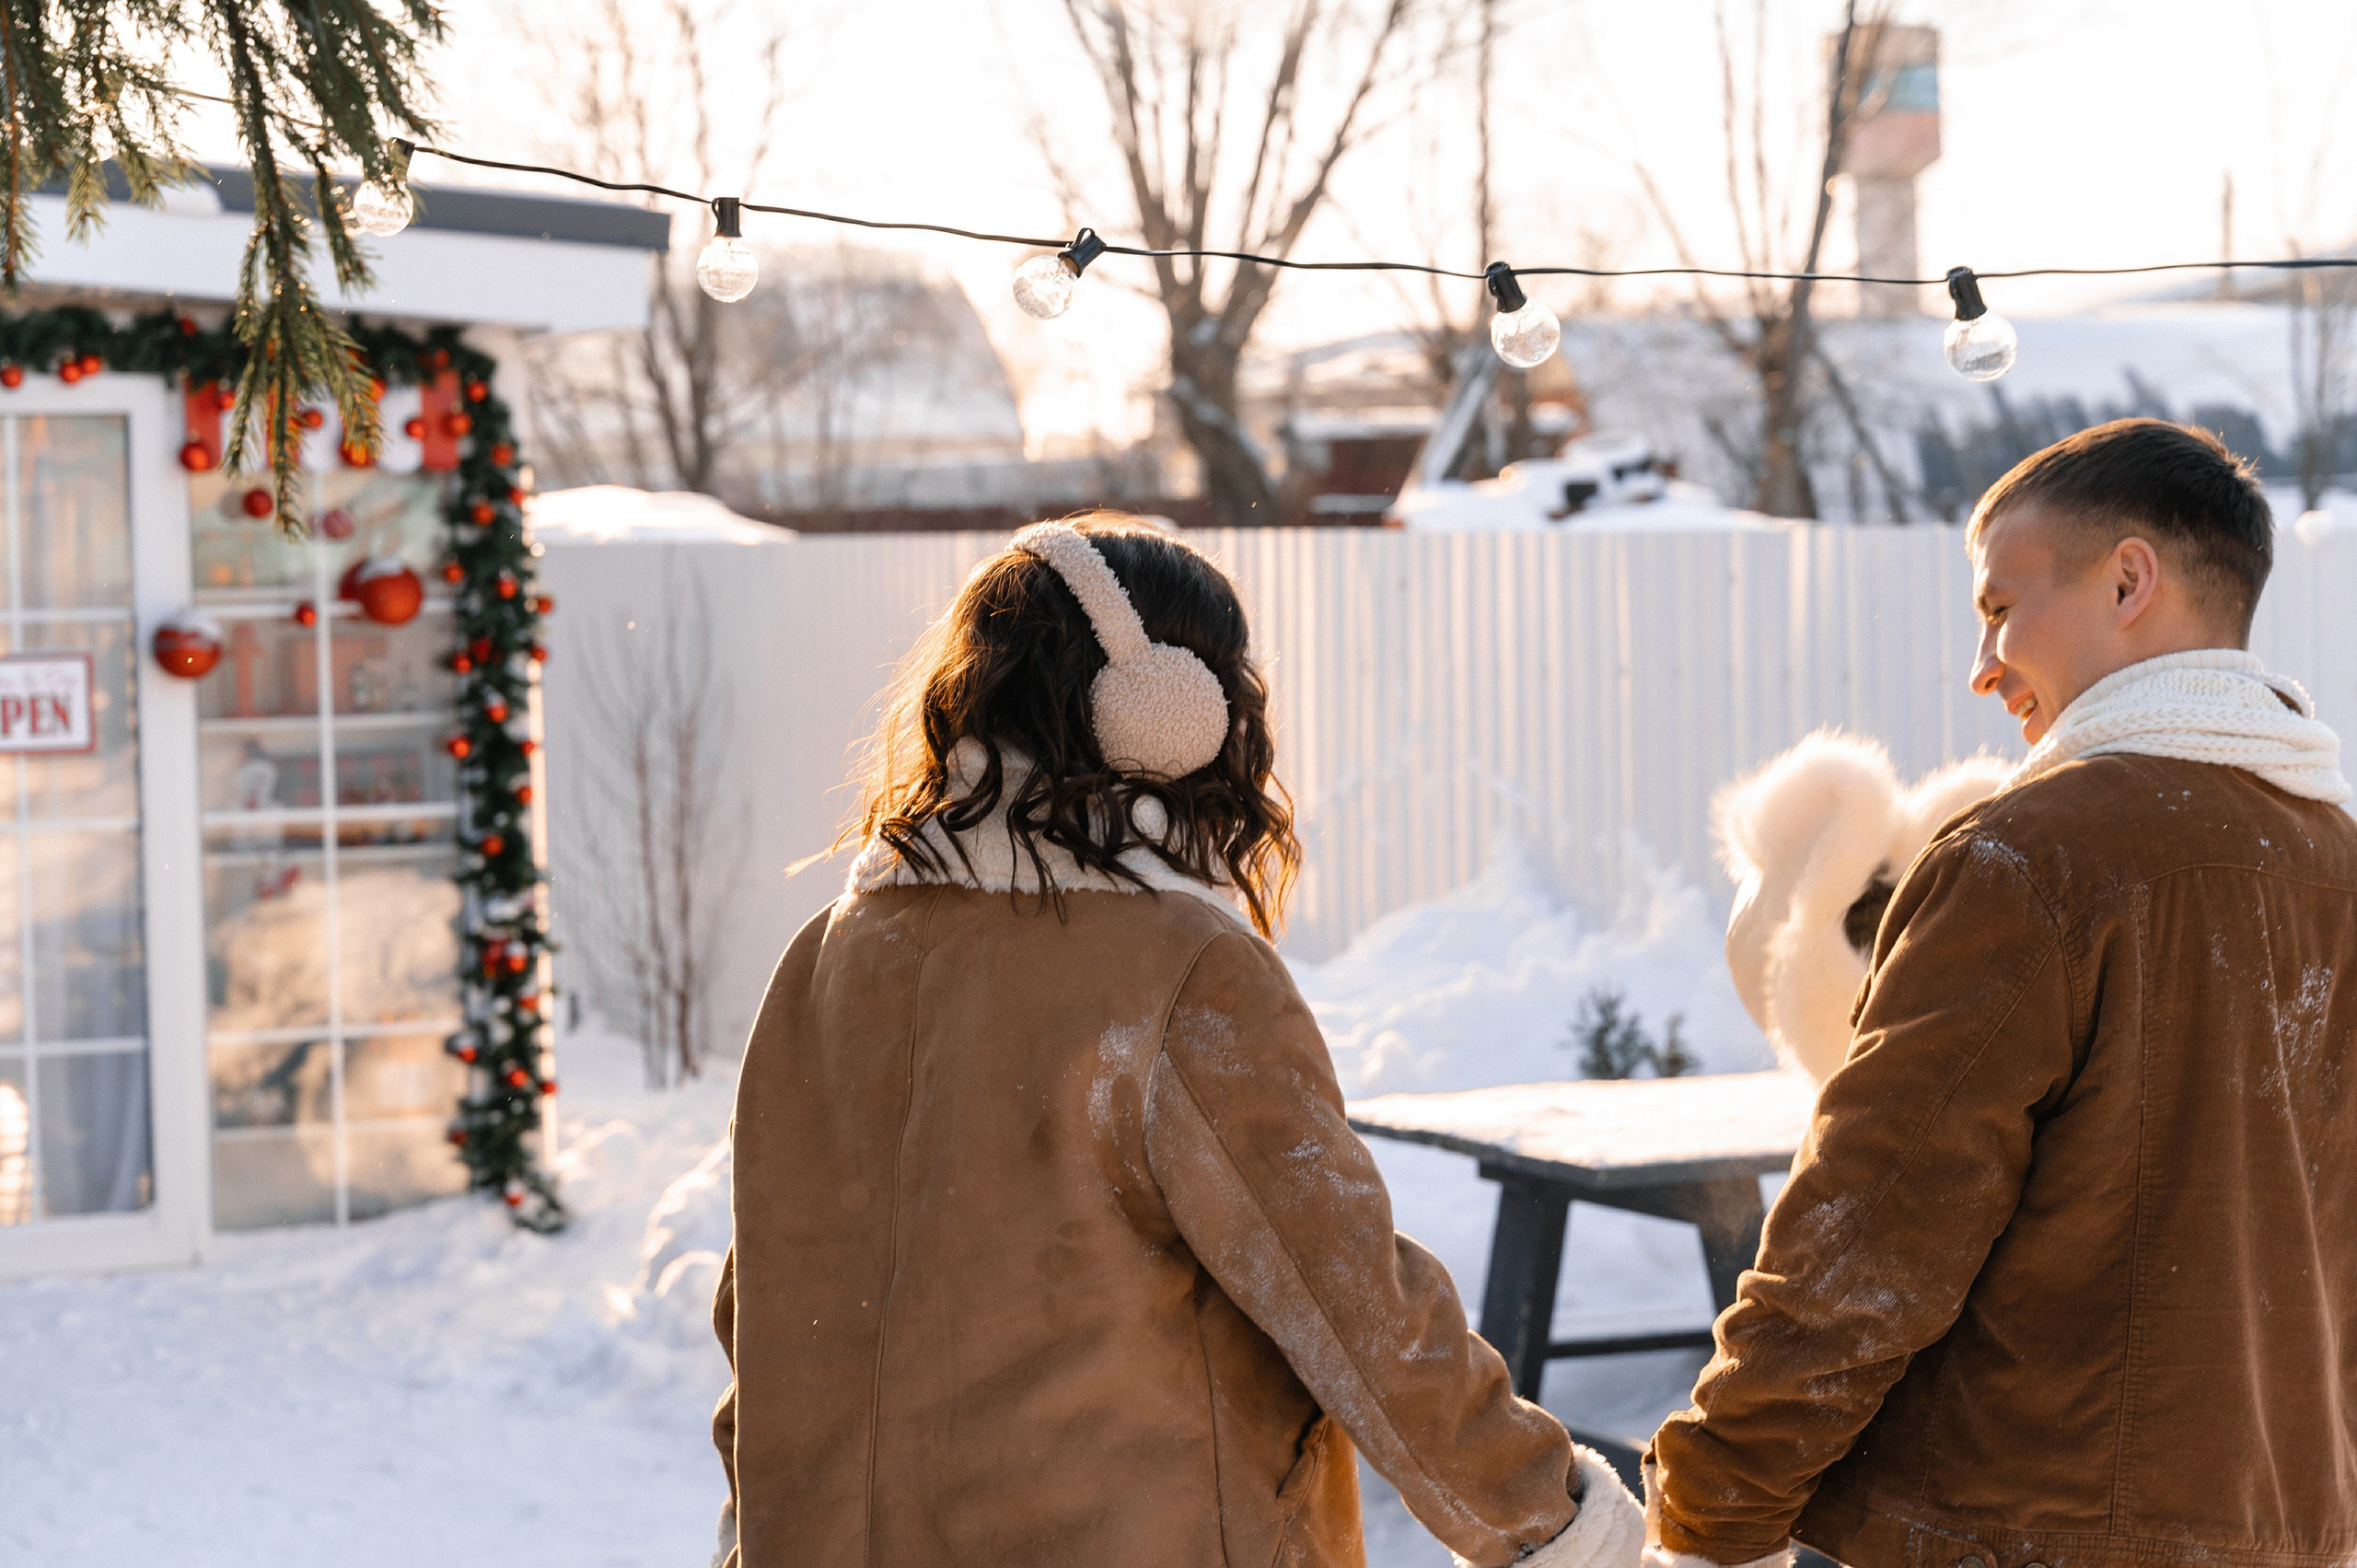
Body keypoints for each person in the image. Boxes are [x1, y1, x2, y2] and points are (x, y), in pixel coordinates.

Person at [710, 514, 1644, 1568]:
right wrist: (1561, 1524)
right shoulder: (1179, 970)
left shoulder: (822, 958)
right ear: (1171, 715)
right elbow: (1354, 1301)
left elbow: (768, 1310)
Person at [1643, 418, 2357, 1568]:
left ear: (2130, 578)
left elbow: (1871, 1219)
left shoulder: (2028, 857)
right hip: (2288, 1522)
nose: (1981, 665)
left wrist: (1712, 1506)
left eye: (1998, 608)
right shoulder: (2336, 857)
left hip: (2026, 1522)